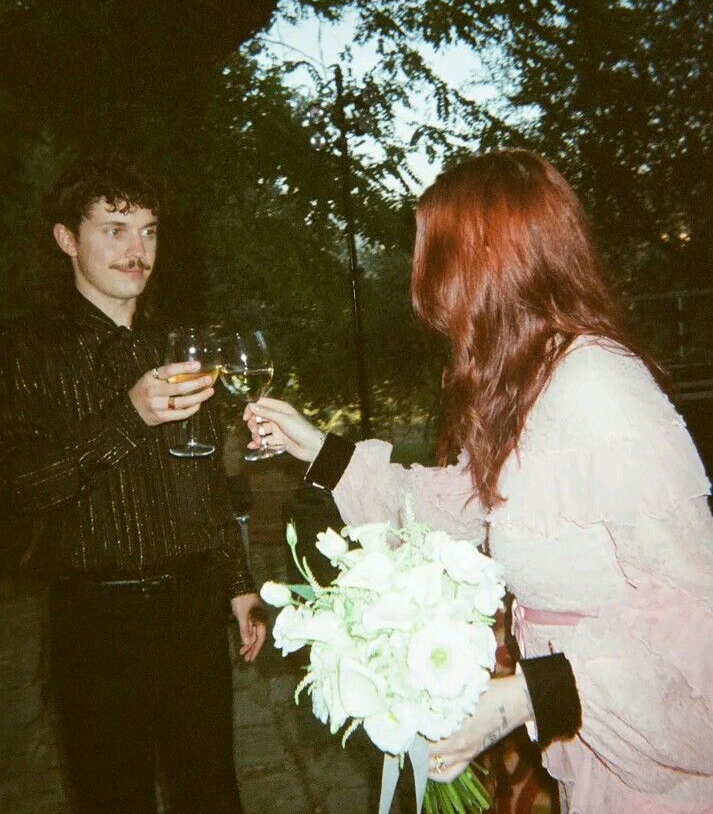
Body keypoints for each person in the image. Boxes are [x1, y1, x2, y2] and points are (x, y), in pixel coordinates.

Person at [244, 148, 713, 814]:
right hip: (592, 747)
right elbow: (456, 510)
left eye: (430, 256)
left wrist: (535, 689)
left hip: (657, 769)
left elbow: (698, 606)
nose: (421, 284)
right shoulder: (528, 380)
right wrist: (320, 449)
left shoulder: (596, 388)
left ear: (484, 266)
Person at [1, 154, 266, 814]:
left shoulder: (177, 344)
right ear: (67, 238)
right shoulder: (23, 350)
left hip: (191, 606)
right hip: (96, 618)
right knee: (111, 796)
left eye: (148, 230)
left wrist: (237, 583)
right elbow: (23, 486)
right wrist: (130, 415)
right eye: (115, 228)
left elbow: (206, 476)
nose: (137, 249)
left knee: (210, 793)